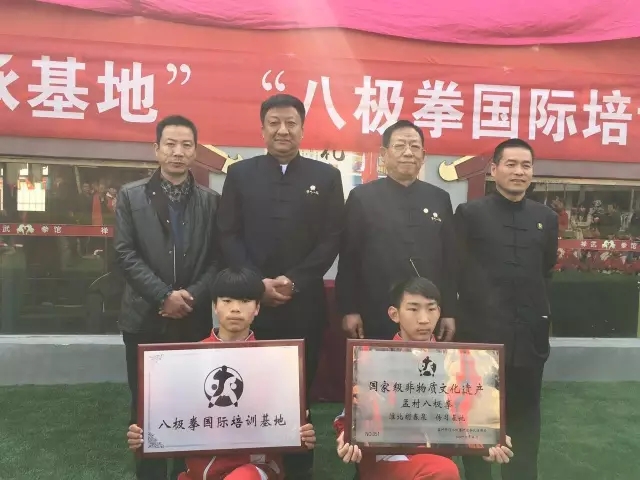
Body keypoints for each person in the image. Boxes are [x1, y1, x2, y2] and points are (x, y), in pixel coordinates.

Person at [217, 94, 345, 479]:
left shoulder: (326, 177)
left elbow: (332, 238)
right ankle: (250, 462)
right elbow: (227, 233)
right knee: (250, 386)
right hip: (250, 307)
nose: (283, 130)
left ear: (303, 129)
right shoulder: (240, 174)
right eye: (274, 122)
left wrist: (295, 280)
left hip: (303, 304)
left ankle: (299, 466)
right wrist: (256, 285)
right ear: (262, 129)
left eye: (291, 123)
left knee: (298, 391)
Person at [127, 267, 317, 479]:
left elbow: (286, 423)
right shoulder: (187, 360)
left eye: (245, 301)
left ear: (257, 308)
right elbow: (167, 415)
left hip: (254, 467)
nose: (235, 309)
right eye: (226, 301)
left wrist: (300, 433)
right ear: (215, 306)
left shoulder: (276, 361)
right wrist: (144, 435)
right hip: (198, 470)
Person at [114, 115, 221, 480]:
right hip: (144, 316)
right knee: (146, 402)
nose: (178, 152)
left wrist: (191, 295)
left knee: (191, 399)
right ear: (156, 149)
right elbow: (124, 254)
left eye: (186, 145)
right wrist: (163, 295)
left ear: (195, 151)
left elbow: (217, 259)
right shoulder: (131, 195)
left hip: (193, 316)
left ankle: (186, 472)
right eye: (170, 144)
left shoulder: (211, 201)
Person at [333, 277, 514, 480]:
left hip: (436, 457)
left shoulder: (460, 360)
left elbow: (471, 415)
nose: (424, 319)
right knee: (443, 471)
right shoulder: (372, 358)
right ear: (394, 314)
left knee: (442, 468)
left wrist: (489, 438)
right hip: (387, 458)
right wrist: (346, 435)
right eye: (413, 309)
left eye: (431, 309)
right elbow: (349, 415)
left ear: (439, 312)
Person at [454, 138, 558, 480]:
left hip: (528, 340)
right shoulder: (470, 214)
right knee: (478, 427)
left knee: (525, 427)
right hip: (480, 338)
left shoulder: (546, 218)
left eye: (525, 165)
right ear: (494, 169)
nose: (518, 171)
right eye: (510, 164)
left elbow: (545, 269)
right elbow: (456, 269)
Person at [335, 119, 457, 341]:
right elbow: (349, 258)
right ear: (384, 153)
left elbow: (449, 261)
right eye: (400, 146)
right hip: (375, 306)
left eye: (415, 147)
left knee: (426, 363)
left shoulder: (440, 198)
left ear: (423, 155)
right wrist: (349, 309)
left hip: (427, 313)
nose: (408, 153)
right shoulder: (362, 197)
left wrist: (448, 311)